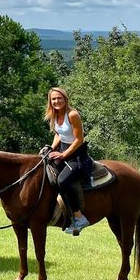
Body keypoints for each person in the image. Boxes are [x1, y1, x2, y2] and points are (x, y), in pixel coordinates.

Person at [44, 87, 91, 235]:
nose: (56, 101)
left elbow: (79, 139)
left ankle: (79, 217)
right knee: (44, 170)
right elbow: (59, 134)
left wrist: (63, 155)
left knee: (63, 181)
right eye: (53, 99)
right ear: (50, 102)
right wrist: (51, 148)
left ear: (65, 99)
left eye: (59, 98)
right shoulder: (55, 114)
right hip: (63, 151)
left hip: (77, 156)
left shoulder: (72, 115)